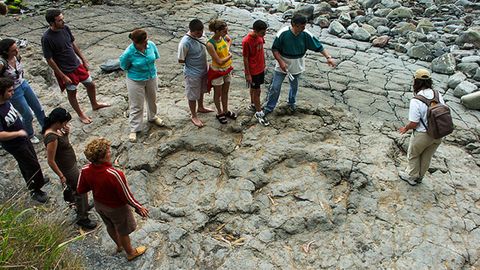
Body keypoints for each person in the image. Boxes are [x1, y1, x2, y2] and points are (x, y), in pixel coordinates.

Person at [77, 137, 149, 261]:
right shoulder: (114, 174)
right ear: (102, 157)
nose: (110, 153)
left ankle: (119, 245)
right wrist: (138, 206)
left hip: (99, 205)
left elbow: (80, 189)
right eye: (108, 152)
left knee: (110, 225)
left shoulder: (85, 169)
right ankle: (130, 252)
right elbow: (126, 195)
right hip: (117, 208)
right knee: (123, 230)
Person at [41, 9, 110, 124]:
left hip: (76, 64)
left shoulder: (65, 28)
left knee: (91, 85)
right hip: (65, 70)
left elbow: (72, 44)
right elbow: (49, 59)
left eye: (63, 19)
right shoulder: (46, 38)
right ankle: (81, 114)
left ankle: (94, 104)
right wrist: (62, 76)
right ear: (52, 23)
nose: (63, 22)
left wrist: (83, 59)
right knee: (72, 93)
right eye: (60, 20)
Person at [263, 14, 336, 115]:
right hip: (282, 65)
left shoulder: (305, 34)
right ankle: (269, 107)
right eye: (302, 26)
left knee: (294, 86)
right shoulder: (283, 33)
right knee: (275, 87)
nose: (304, 28)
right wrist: (281, 62)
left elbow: (318, 46)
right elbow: (275, 49)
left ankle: (291, 103)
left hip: (297, 65)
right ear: (294, 24)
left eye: (304, 26)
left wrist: (328, 58)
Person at [42, 107, 97, 230]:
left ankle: (83, 206)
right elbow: (50, 160)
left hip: (71, 164)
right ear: (58, 122)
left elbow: (63, 146)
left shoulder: (57, 131)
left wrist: (66, 134)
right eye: (65, 122)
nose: (66, 125)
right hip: (67, 170)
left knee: (79, 189)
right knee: (80, 190)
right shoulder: (52, 138)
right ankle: (82, 217)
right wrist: (61, 175)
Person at [0, 78, 49, 203]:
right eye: (9, 91)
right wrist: (18, 133)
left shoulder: (6, 101)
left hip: (22, 138)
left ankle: (38, 179)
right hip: (15, 144)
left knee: (32, 161)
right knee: (30, 165)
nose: (12, 93)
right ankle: (35, 190)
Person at [399, 69, 444, 186]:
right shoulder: (437, 94)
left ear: (416, 82)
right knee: (427, 156)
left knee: (413, 154)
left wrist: (406, 128)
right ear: (429, 81)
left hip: (423, 134)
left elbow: (414, 123)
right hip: (438, 134)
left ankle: (412, 177)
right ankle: (420, 177)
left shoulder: (416, 100)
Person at [119, 29, 164, 142]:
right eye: (144, 41)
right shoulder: (129, 53)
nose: (147, 42)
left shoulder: (151, 45)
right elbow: (124, 66)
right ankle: (134, 128)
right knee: (136, 105)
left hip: (151, 76)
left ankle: (152, 117)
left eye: (147, 39)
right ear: (137, 42)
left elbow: (155, 57)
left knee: (152, 99)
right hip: (135, 79)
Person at [0, 38, 46, 143]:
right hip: (14, 90)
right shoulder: (2, 63)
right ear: (6, 51)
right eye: (13, 50)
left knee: (38, 107)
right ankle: (29, 134)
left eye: (16, 49)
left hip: (23, 84)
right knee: (27, 114)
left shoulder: (16, 57)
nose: (17, 51)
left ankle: (45, 127)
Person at [178, 19, 215, 128]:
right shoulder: (185, 43)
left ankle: (201, 107)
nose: (200, 34)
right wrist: (192, 63)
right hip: (192, 73)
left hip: (203, 69)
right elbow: (180, 59)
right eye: (197, 33)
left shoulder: (202, 34)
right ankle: (193, 115)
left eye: (201, 31)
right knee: (192, 94)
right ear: (191, 31)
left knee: (202, 90)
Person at [206, 19, 236, 124]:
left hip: (227, 69)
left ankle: (226, 110)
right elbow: (218, 61)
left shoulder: (222, 37)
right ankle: (219, 112)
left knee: (225, 91)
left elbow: (229, 40)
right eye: (224, 31)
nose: (226, 33)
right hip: (218, 71)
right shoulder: (210, 44)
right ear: (217, 31)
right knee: (217, 93)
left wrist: (227, 49)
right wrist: (230, 56)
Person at [242, 20, 270, 126]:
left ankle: (253, 104)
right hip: (253, 70)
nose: (264, 34)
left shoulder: (260, 37)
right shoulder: (247, 41)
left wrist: (263, 64)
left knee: (254, 89)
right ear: (255, 30)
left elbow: (261, 49)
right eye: (263, 32)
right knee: (257, 91)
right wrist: (247, 74)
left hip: (260, 68)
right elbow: (245, 58)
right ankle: (259, 112)